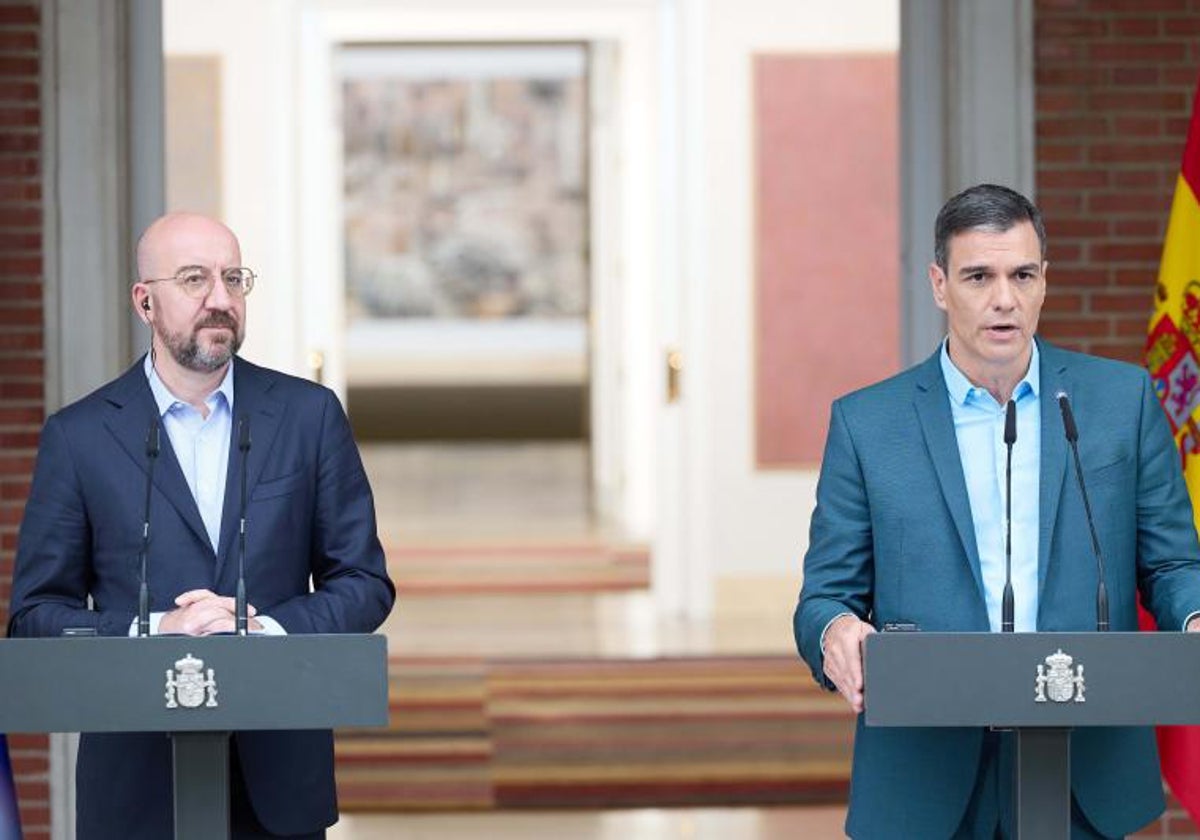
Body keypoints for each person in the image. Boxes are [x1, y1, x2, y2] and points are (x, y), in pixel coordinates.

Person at [794, 184, 1200, 839]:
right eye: (978, 276)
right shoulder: (868, 424)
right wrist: (835, 632)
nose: (1003, 298)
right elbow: (822, 597)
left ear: (1045, 282)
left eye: (1022, 275)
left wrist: (1194, 614)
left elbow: (1174, 561)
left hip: (1085, 768)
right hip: (924, 776)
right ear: (939, 284)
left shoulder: (1119, 403)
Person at [7, 213, 396, 839]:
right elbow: (35, 615)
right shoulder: (78, 437)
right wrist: (159, 628)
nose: (220, 299)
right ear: (145, 301)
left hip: (278, 778)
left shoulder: (308, 416)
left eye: (233, 279)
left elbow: (364, 582)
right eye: (194, 279)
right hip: (137, 788)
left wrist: (264, 628)